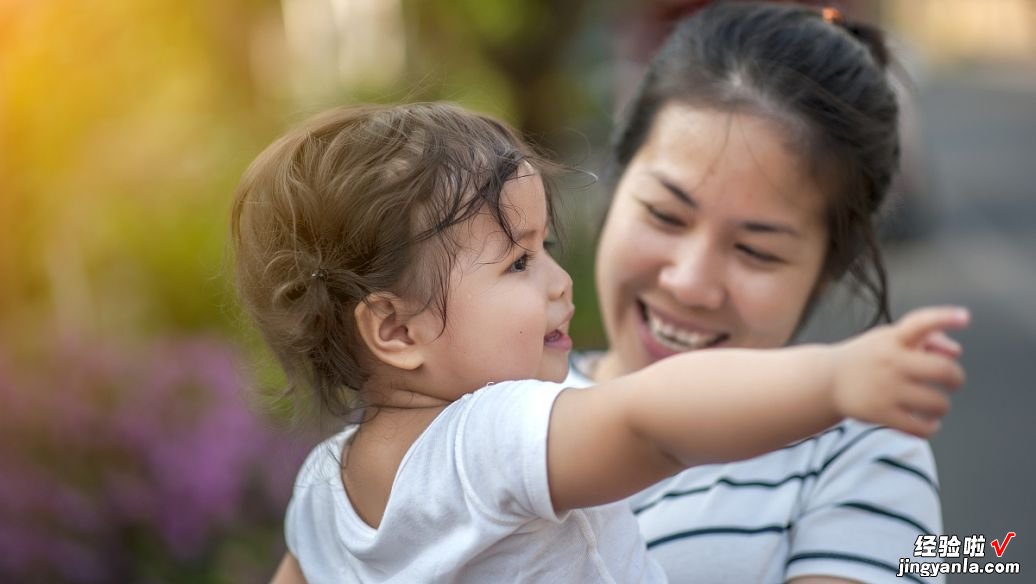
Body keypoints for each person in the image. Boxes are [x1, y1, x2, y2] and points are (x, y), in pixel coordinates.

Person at [231, 103, 966, 583]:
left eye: (545, 245)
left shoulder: (324, 487)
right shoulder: (492, 434)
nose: (558, 281)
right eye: (518, 261)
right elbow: (649, 419)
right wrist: (835, 380)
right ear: (395, 330)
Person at [565, 2, 949, 582]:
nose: (690, 283)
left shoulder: (862, 454)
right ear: (617, 184)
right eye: (665, 215)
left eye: (756, 251)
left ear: (827, 269)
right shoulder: (486, 405)